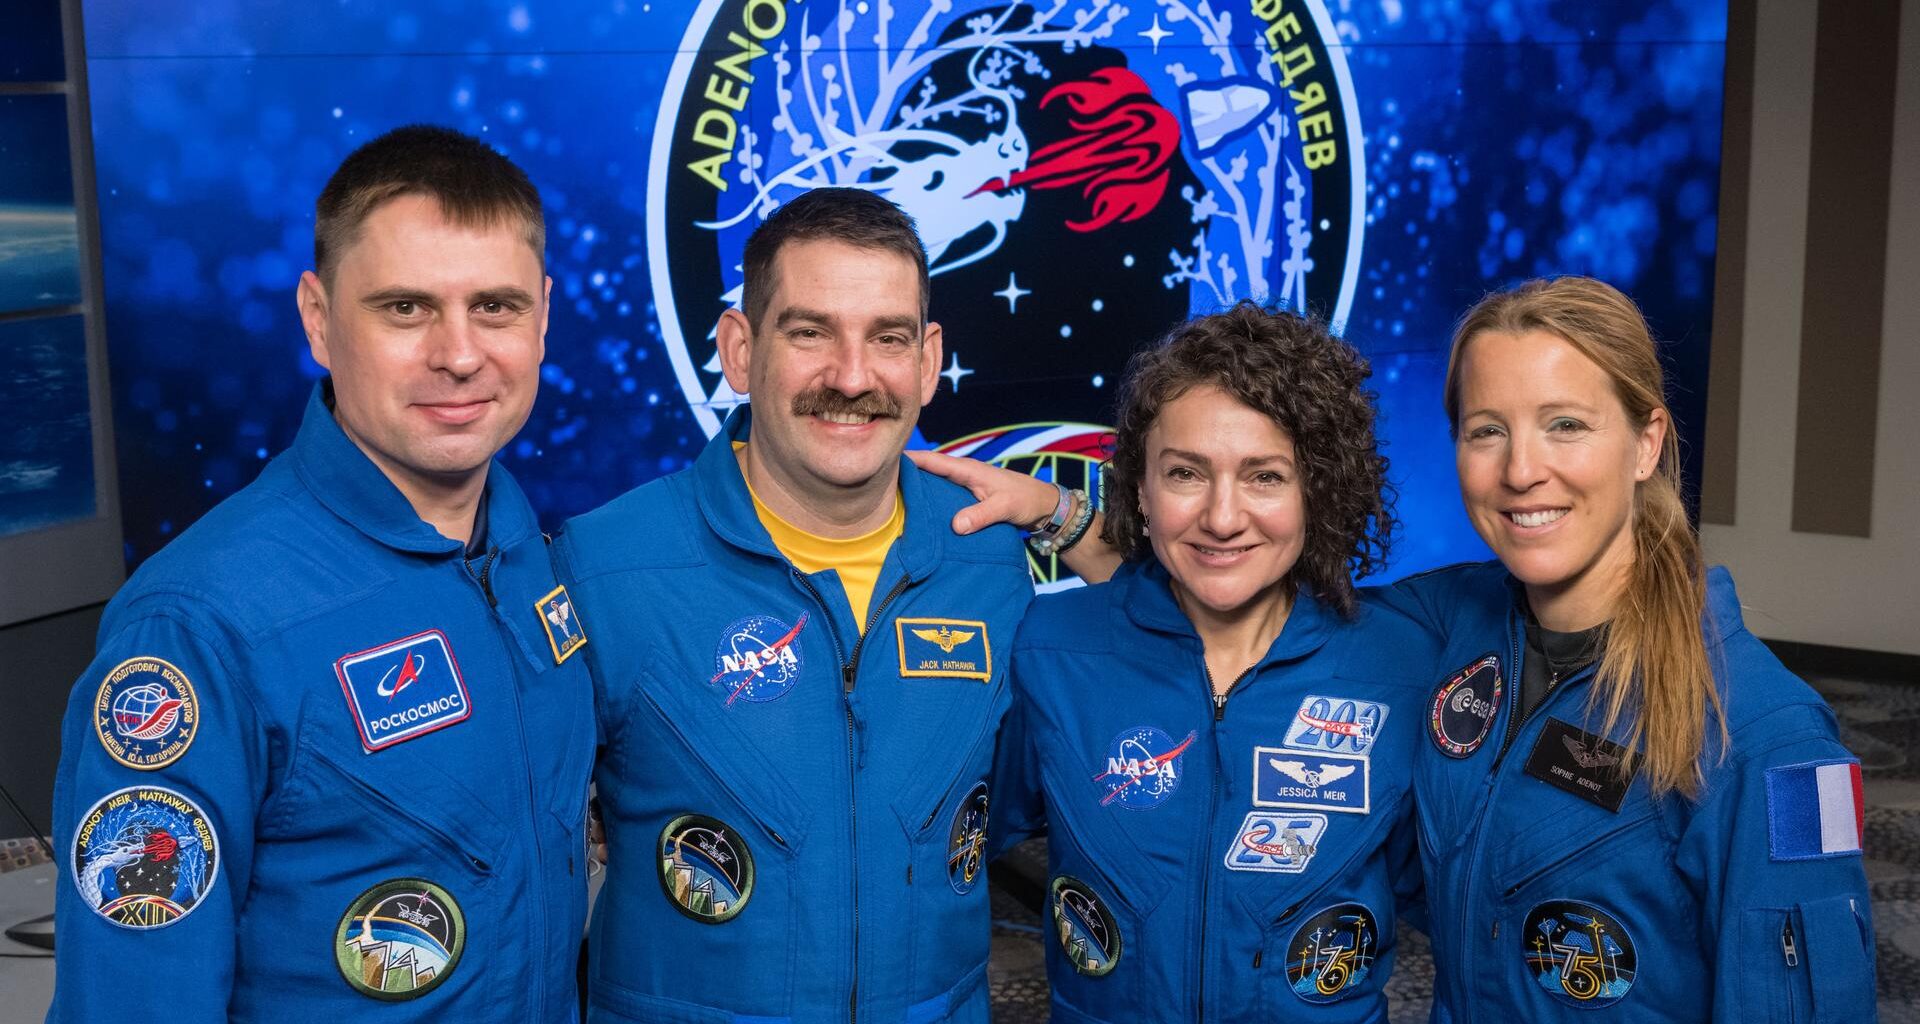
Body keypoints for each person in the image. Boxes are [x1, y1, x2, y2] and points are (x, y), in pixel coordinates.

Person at [48, 126, 595, 1021]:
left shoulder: (523, 545)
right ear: (317, 318)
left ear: (542, 317)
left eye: (495, 307)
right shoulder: (200, 627)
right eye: (406, 308)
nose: (460, 355)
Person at [556, 188, 1078, 1022]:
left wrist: (1065, 513)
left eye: (888, 338)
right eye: (810, 333)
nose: (852, 377)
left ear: (928, 360)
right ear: (739, 350)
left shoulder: (986, 561)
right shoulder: (605, 568)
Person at [1386, 276, 1876, 1021]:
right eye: (1487, 430)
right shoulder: (1447, 628)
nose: (1521, 471)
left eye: (1566, 425)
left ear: (1646, 444)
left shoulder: (1771, 740)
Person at [968, 302, 1437, 1022]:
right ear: (1140, 490)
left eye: (1265, 477)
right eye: (1186, 473)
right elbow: (934, 858)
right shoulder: (1052, 650)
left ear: (1318, 490)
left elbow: (1471, 910)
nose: (1221, 518)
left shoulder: (1402, 664)